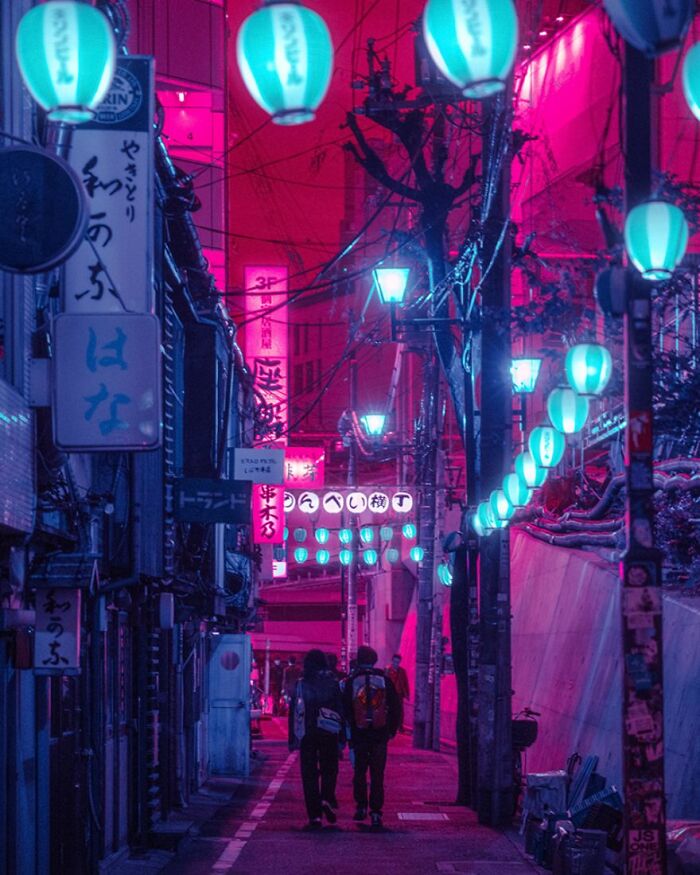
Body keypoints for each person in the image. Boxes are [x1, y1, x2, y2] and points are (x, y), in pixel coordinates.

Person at [343, 645, 400, 830]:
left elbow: (346, 708)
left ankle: (361, 806)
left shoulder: (352, 681)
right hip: (379, 733)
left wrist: (349, 730)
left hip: (359, 734)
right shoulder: (384, 680)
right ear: (374, 660)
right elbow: (395, 706)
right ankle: (376, 812)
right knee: (377, 774)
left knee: (360, 772)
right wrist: (391, 730)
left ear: (358, 661)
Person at [288, 650, 344, 831]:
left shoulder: (301, 684)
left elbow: (293, 712)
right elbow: (341, 711)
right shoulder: (333, 684)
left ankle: (315, 817)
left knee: (309, 774)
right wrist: (342, 738)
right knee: (330, 768)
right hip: (329, 731)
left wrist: (292, 739)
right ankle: (327, 797)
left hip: (307, 733)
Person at [386, 653, 410, 733]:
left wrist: (407, 694)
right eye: (395, 662)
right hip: (390, 694)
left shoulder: (402, 671)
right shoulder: (387, 670)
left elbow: (405, 683)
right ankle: (390, 725)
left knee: (400, 710)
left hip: (399, 693)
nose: (396, 664)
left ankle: (400, 726)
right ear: (392, 661)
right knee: (390, 710)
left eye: (398, 662)